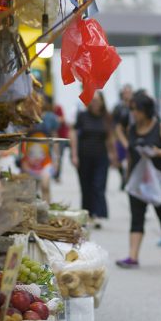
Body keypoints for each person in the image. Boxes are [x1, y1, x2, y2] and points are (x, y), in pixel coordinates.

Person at [116, 91, 161, 269]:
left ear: (146, 110)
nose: (133, 113)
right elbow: (130, 152)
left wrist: (157, 152)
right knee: (136, 218)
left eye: (137, 110)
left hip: (158, 181)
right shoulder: (132, 128)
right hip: (138, 181)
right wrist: (127, 176)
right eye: (132, 109)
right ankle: (133, 256)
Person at [69, 92, 118, 226]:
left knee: (98, 185)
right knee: (86, 186)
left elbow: (110, 137)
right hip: (84, 156)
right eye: (92, 100)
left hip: (101, 157)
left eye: (97, 100)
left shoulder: (106, 118)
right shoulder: (82, 116)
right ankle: (87, 214)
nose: (95, 103)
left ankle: (98, 213)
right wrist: (74, 155)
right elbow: (73, 133)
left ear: (102, 102)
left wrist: (113, 154)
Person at [111, 85, 134, 189]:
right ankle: (123, 177)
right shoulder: (118, 108)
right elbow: (114, 125)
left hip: (132, 137)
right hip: (120, 138)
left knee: (131, 159)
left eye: (129, 92)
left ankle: (128, 178)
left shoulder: (135, 106)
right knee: (120, 160)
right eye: (125, 92)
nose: (127, 94)